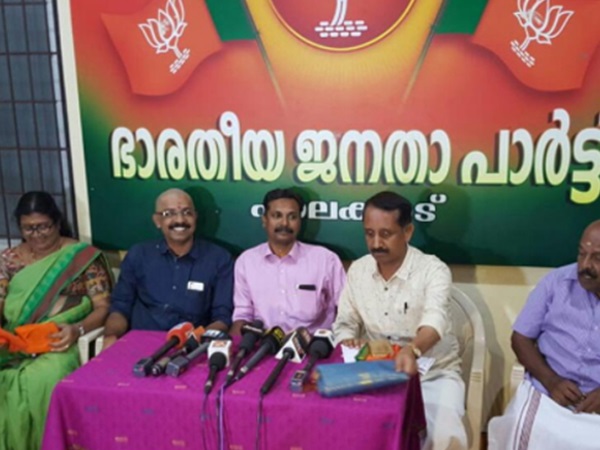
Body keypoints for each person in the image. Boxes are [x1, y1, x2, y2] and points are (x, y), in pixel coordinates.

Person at [333, 191, 467, 450]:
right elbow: (345, 322)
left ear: (408, 232)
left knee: (442, 436)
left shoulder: (433, 270)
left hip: (433, 374)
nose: (376, 243)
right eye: (369, 233)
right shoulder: (359, 270)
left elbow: (435, 319)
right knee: (347, 424)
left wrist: (412, 349)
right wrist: (347, 341)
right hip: (378, 371)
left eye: (386, 234)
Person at [0, 191, 112, 450]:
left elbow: (103, 306)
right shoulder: (8, 260)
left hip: (59, 340)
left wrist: (77, 329)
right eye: (29, 229)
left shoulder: (81, 257)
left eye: (44, 227)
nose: (37, 235)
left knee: (44, 380)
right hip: (15, 340)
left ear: (57, 223)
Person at [488, 220, 600, 450]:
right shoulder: (556, 282)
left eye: (597, 258)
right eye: (581, 254)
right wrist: (551, 380)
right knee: (518, 428)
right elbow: (520, 338)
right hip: (549, 390)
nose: (584, 265)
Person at [102, 188, 233, 349]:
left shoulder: (219, 259)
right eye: (169, 214)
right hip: (140, 344)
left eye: (187, 212)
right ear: (157, 221)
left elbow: (222, 317)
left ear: (195, 217)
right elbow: (120, 307)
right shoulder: (139, 254)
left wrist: (199, 343)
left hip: (191, 348)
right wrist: (111, 336)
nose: (180, 220)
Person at [230, 188, 346, 335]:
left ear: (300, 221)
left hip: (313, 345)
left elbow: (347, 311)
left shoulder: (325, 260)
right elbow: (242, 315)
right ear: (264, 220)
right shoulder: (247, 262)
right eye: (277, 216)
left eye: (292, 217)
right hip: (262, 344)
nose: (284, 223)